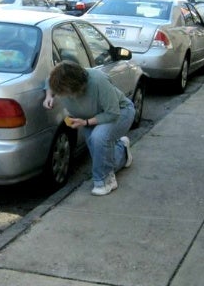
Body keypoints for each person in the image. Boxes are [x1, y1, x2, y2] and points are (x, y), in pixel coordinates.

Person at [43, 61, 135, 196]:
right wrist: (48, 96)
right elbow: (48, 82)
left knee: (99, 138)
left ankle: (104, 181)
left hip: (120, 113)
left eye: (64, 93)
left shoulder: (98, 80)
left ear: (76, 86)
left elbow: (112, 113)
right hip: (90, 118)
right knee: (101, 157)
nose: (62, 96)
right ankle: (122, 150)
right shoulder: (59, 78)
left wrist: (85, 122)